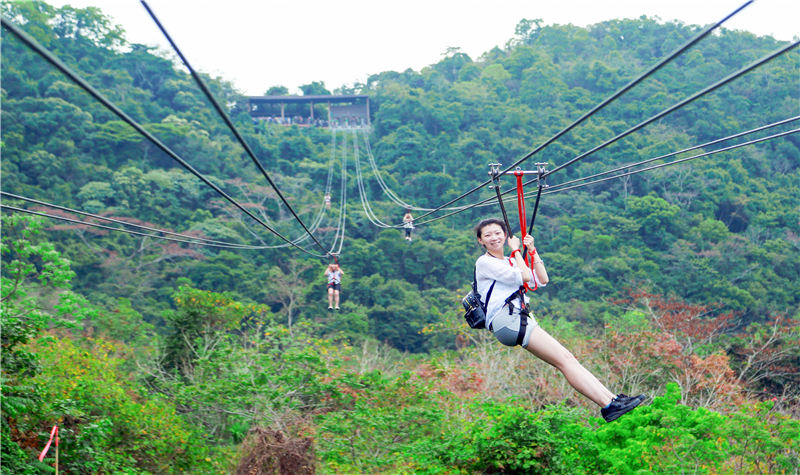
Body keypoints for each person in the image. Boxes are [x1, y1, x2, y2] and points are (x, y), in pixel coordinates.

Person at [473, 218, 645, 422]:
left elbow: (542, 279)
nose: (494, 238)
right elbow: (525, 277)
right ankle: (608, 405)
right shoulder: (485, 262)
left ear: (505, 235)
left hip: (516, 319)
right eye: (488, 235)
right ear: (480, 241)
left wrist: (532, 250)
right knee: (565, 361)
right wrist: (517, 251)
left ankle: (612, 400)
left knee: (567, 359)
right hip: (508, 320)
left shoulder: (509, 262)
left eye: (497, 233)